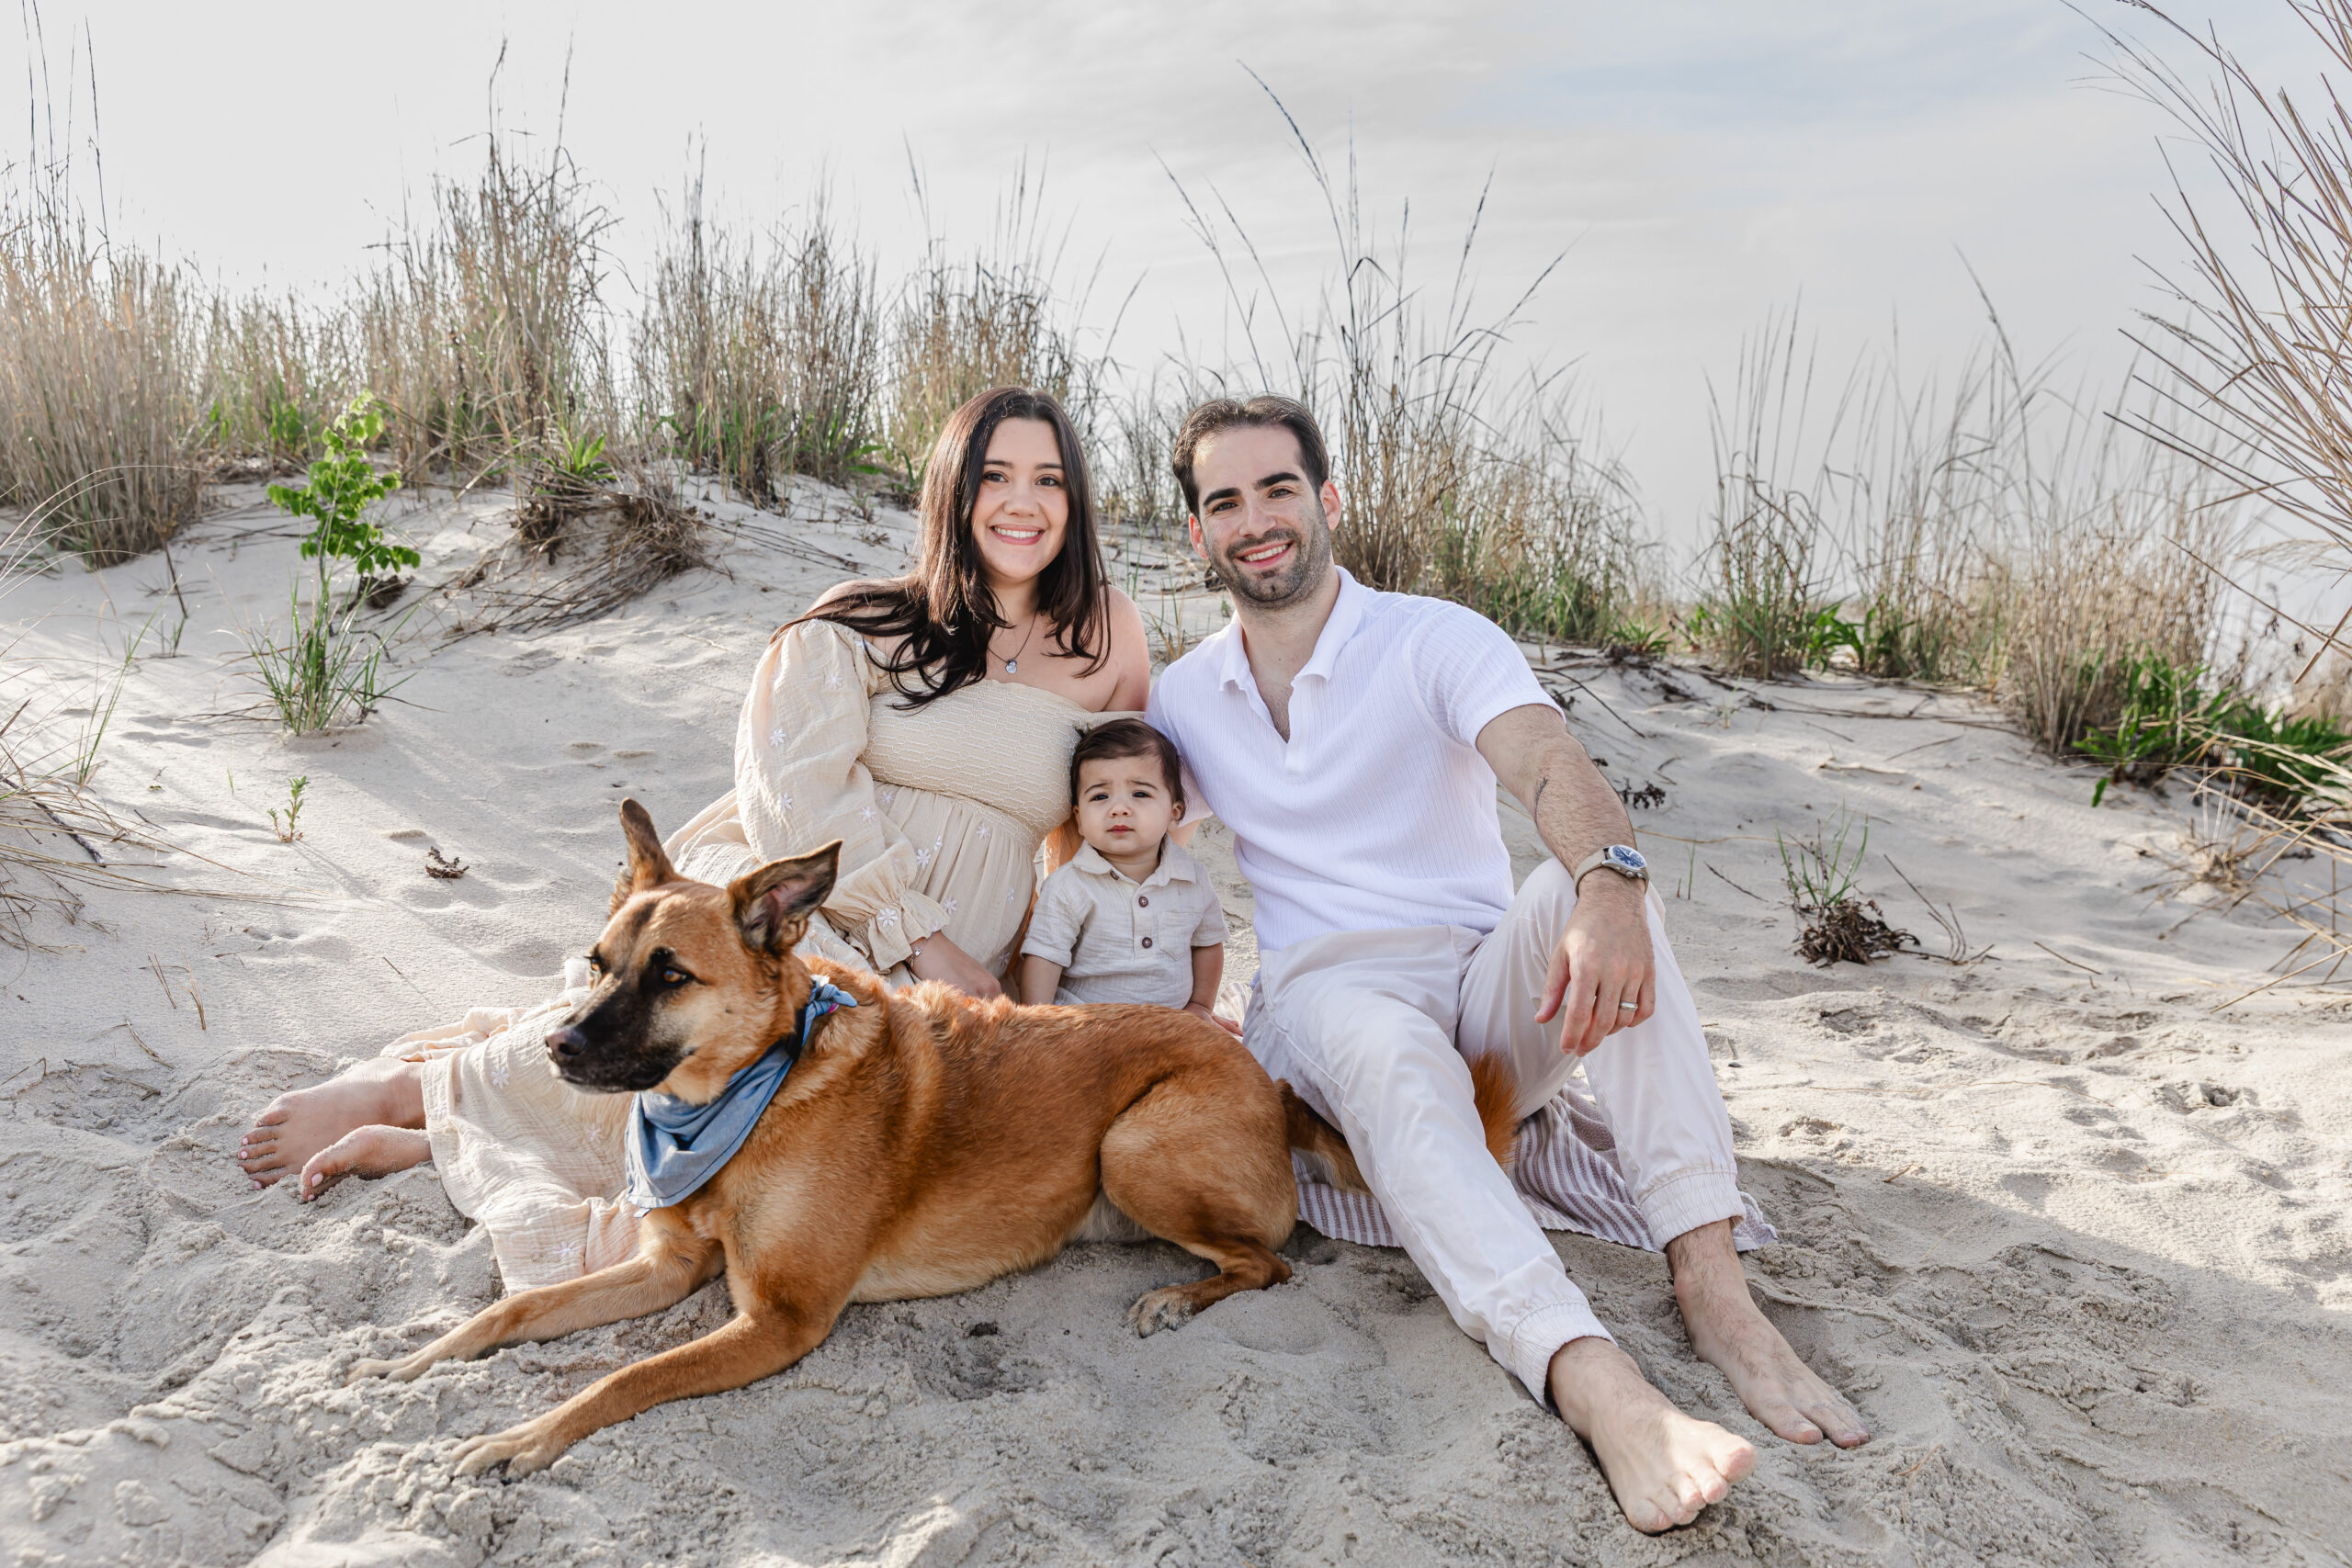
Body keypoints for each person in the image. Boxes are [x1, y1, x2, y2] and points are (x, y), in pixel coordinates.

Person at [1145, 395, 1871, 1536]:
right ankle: (1592, 1377)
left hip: (1479, 978)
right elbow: (1108, 822)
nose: (1255, 520)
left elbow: (1543, 759)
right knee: (1387, 1049)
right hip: (1323, 997)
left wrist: (1608, 886)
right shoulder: (1184, 695)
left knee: (1599, 895)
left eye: (1277, 489)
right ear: (1198, 533)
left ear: (1326, 500)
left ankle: (1712, 1287)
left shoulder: (1430, 637)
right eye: (1224, 502)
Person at [235, 386, 1151, 1287]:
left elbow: (1102, 834)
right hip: (791, 898)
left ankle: (440, 1140)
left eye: (1048, 479)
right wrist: (917, 932)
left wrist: (1071, 983)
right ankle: (421, 1096)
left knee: (804, 1121)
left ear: (1074, 498)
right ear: (953, 491)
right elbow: (796, 790)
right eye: (994, 476)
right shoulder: (868, 619)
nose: (1023, 502)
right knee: (718, 1027)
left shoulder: (1107, 636)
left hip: (952, 965)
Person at [1015, 717, 1231, 1028]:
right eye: (1100, 796)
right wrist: (1036, 1026)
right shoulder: (1069, 886)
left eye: (1139, 794)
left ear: (1175, 813)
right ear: (1079, 818)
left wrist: (1200, 1005)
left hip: (1172, 1027)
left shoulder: (1192, 878)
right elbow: (1044, 956)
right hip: (1088, 1028)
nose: (1119, 808)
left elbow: (1207, 944)